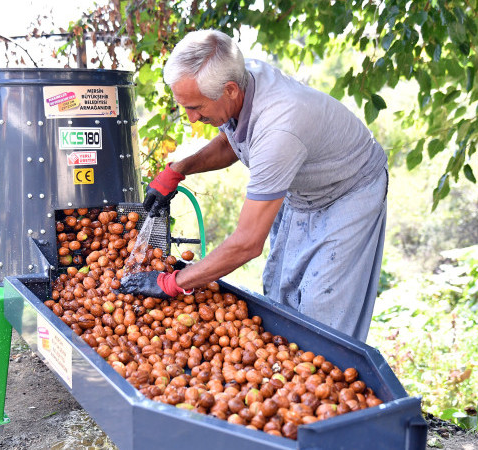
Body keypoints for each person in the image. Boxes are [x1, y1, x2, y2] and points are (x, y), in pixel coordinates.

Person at [119, 29, 388, 342]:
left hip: (349, 190)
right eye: (185, 106)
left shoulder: (279, 130)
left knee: (323, 313)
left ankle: (324, 384)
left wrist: (174, 282)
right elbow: (231, 142)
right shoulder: (240, 79)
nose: (191, 119)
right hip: (303, 188)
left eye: (197, 108)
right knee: (281, 291)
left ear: (230, 90)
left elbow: (247, 243)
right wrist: (178, 170)